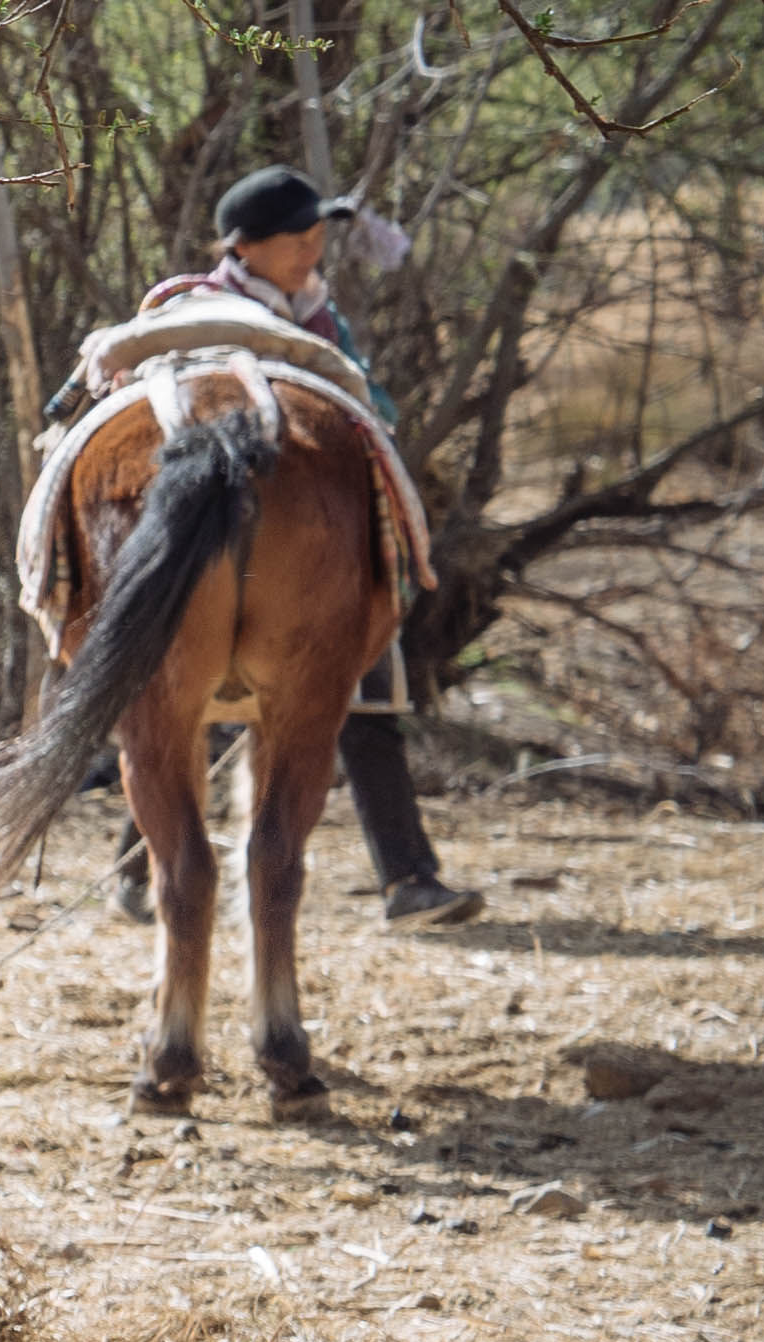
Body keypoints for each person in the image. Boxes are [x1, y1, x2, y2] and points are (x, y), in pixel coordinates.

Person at [90, 164, 484, 927]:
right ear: (242, 248)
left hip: (309, 529)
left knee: (352, 694)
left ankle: (407, 878)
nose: (311, 251)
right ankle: (145, 868)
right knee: (181, 697)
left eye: (315, 238)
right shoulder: (203, 313)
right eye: (294, 240)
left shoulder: (316, 316)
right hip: (230, 513)